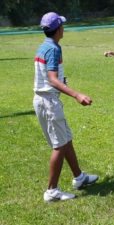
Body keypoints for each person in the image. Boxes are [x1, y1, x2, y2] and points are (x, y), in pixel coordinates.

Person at [33, 12, 98, 202]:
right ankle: (51, 191)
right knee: (59, 145)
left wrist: (61, 82)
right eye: (62, 25)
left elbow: (47, 77)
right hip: (49, 102)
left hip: (44, 100)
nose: (63, 28)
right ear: (58, 29)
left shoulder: (44, 46)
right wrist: (77, 94)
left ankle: (79, 177)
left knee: (66, 139)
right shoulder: (53, 49)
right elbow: (52, 80)